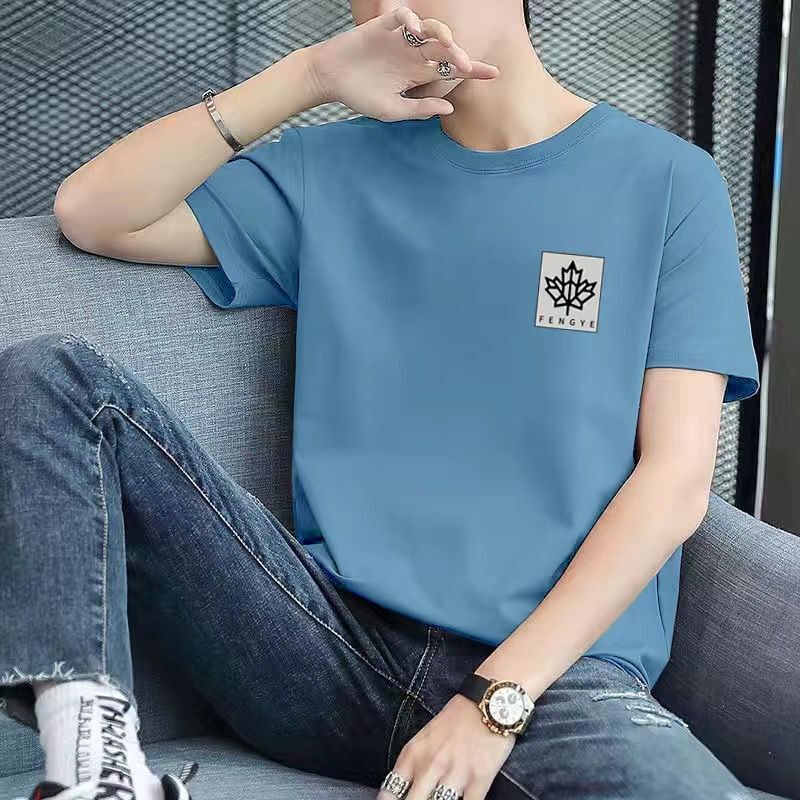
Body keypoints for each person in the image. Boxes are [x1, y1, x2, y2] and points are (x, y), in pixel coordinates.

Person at [0, 0, 763, 798]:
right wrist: (310, 75)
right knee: (58, 380)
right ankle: (95, 774)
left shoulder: (667, 183)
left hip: (554, 684)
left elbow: (675, 482)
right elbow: (93, 214)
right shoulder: (327, 170)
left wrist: (496, 701)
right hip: (325, 647)